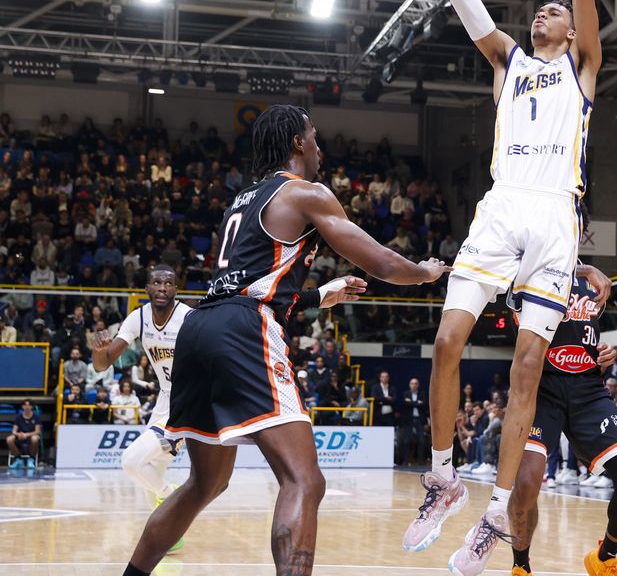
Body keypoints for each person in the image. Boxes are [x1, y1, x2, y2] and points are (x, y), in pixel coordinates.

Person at [120, 105, 448, 576]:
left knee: (204, 484)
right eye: (314, 137)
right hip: (244, 330)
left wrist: (318, 295)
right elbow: (380, 262)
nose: (320, 146)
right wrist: (424, 272)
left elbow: (252, 280)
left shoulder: (241, 200)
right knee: (304, 480)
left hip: (199, 326)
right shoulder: (305, 193)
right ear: (298, 142)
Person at [404, 0, 607, 573]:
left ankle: (495, 511)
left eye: (556, 8)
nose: (544, 11)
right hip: (500, 207)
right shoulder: (508, 61)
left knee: (526, 366)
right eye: (541, 7)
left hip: (554, 217)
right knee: (445, 342)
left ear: (575, 29)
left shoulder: (582, 68)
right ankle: (443, 477)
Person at [509, 264, 617, 576]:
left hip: (588, 388)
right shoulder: (528, 272)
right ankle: (521, 566)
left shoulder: (596, 285)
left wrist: (605, 350)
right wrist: (587, 269)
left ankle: (604, 558)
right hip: (540, 388)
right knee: (528, 483)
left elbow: (589, 337)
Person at [90, 265, 192, 542]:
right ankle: (172, 535)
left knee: (131, 462)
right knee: (152, 473)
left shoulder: (188, 317)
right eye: (156, 282)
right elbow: (103, 364)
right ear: (146, 288)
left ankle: (174, 497)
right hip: (164, 400)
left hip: (187, 403)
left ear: (175, 289)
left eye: (168, 283)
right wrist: (97, 351)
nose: (162, 287)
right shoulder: (138, 318)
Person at [398, 378, 429, 466]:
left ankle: (421, 461)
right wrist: (417, 403)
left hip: (420, 419)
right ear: (409, 385)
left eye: (415, 383)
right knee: (406, 441)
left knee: (421, 441)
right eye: (412, 383)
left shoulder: (422, 394)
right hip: (409, 419)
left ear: (418, 385)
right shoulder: (405, 393)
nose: (414, 385)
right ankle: (405, 461)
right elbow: (406, 404)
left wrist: (412, 402)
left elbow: (424, 405)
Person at [5, 400, 40, 467]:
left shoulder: (36, 417)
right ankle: (18, 459)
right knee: (9, 439)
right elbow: (14, 431)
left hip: (30, 436)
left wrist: (27, 435)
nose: (26, 407)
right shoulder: (18, 417)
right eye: (25, 405)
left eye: (28, 405)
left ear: (31, 407)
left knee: (35, 439)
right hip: (20, 436)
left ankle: (31, 459)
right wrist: (19, 434)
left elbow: (37, 431)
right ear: (22, 407)